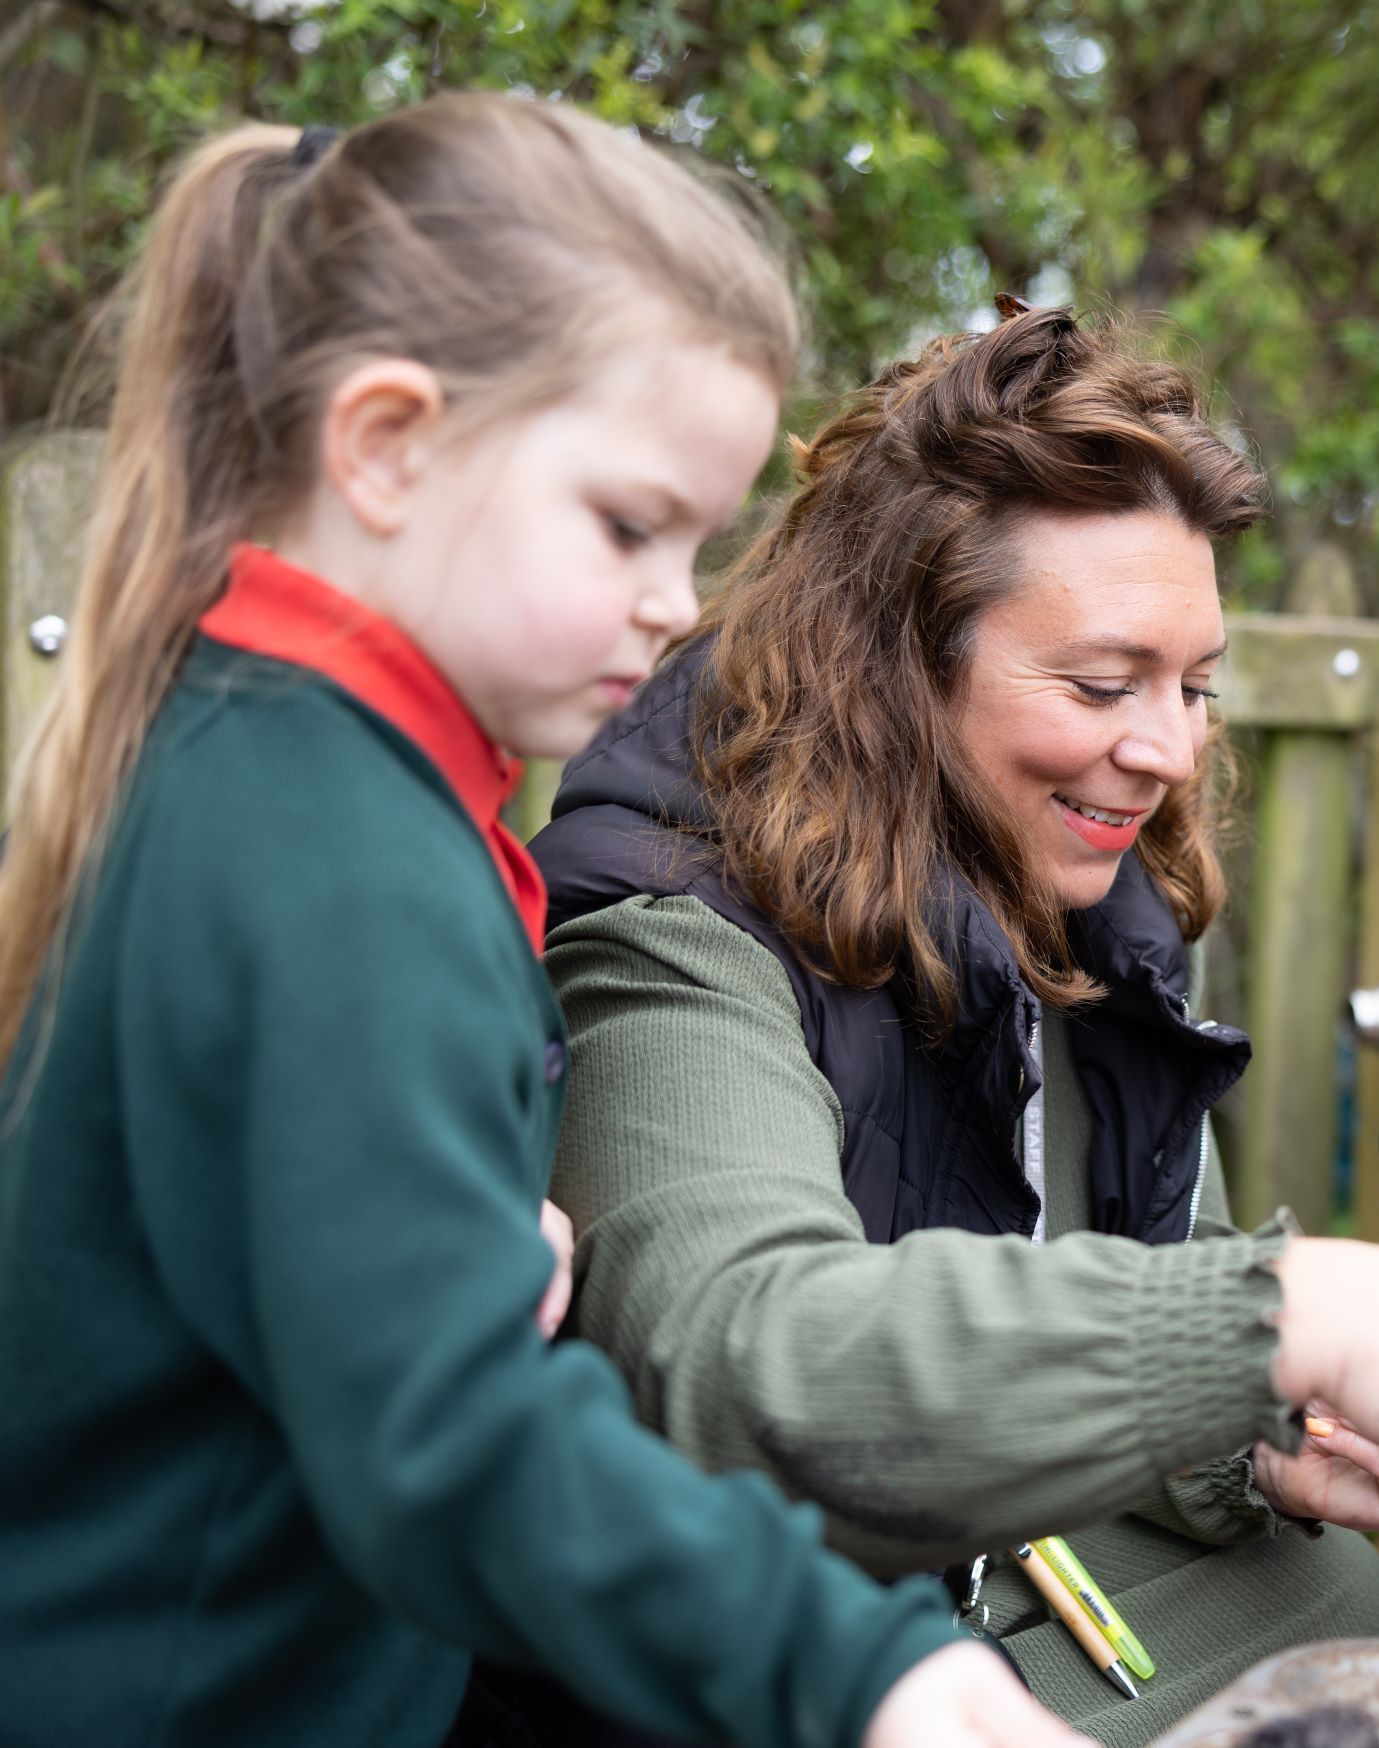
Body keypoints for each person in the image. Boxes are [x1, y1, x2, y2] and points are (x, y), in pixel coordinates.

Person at [0, 97, 1090, 1748]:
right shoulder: (342, 855)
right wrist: (877, 1669)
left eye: (700, 537)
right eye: (626, 523)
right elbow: (451, 1443)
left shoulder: (251, 743)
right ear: (382, 444)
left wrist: (455, 1237)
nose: (677, 598)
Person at [528, 302, 1379, 1742]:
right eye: (1100, 684)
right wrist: (1291, 1316)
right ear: (891, 662)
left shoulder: (1070, 896)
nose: (1167, 750)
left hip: (997, 1553)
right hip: (751, 1623)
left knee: (1333, 1609)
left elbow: (1107, 1264)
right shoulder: (667, 929)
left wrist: (1258, 1447)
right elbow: (745, 1361)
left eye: (1194, 689)